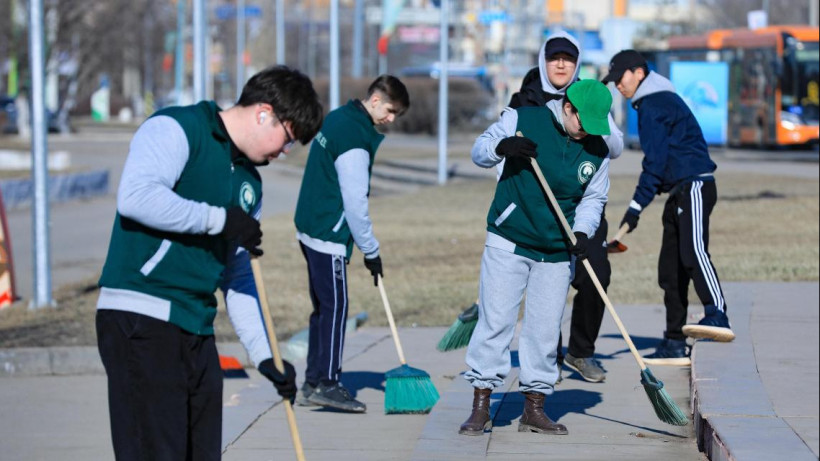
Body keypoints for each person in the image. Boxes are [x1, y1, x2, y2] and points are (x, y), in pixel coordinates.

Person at [95, 65, 324, 460]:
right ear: (263, 112)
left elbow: (238, 274)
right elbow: (136, 197)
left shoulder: (250, 183)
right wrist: (218, 219)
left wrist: (264, 354)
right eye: (288, 138)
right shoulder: (178, 128)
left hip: (195, 325)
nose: (284, 151)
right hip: (141, 315)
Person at [460, 79, 612, 436]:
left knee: (544, 331)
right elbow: (479, 151)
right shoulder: (522, 118)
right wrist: (504, 146)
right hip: (509, 238)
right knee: (496, 322)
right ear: (569, 107)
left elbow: (593, 199)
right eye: (582, 122)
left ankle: (535, 407)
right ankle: (481, 403)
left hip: (557, 250)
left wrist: (583, 232)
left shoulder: (597, 150)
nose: (586, 131)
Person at [602, 50, 735, 364]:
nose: (618, 86)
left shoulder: (655, 104)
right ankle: (674, 340)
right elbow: (662, 166)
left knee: (693, 252)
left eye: (620, 78)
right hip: (678, 189)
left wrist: (635, 207)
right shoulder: (652, 102)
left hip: (694, 185)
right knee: (670, 270)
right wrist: (641, 203)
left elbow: (655, 164)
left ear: (638, 72)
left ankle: (718, 313)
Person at [507, 30, 624, 384]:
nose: (561, 64)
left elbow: (615, 148)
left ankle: (581, 352)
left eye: (569, 58)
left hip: (582, 202)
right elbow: (501, 153)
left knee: (596, 274)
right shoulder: (524, 100)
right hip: (538, 207)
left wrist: (590, 121)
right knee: (548, 282)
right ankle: (549, 358)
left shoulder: (590, 95)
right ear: (543, 61)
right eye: (554, 57)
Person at [293, 75, 410, 413]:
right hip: (328, 233)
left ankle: (313, 380)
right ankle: (328, 383)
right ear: (375, 100)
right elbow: (355, 204)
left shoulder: (340, 116)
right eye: (390, 111)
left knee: (323, 310)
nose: (391, 119)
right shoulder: (355, 138)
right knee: (335, 309)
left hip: (309, 226)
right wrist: (371, 251)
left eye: (396, 115)